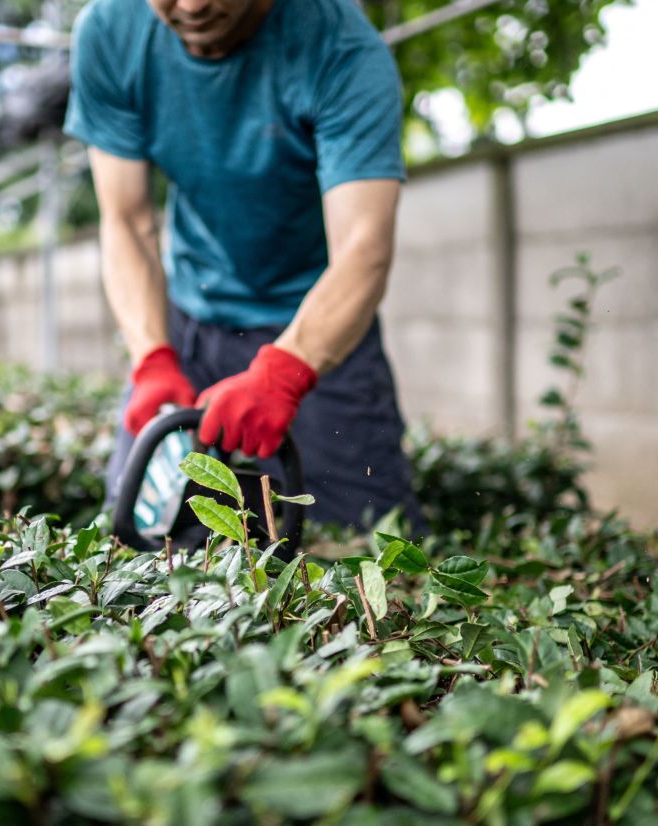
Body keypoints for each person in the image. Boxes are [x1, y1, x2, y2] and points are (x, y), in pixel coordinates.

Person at [64, 0, 423, 531]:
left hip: (319, 337)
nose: (190, 5)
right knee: (144, 547)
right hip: (189, 329)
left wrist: (284, 373)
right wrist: (152, 360)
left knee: (367, 553)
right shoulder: (110, 32)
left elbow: (363, 249)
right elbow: (126, 222)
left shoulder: (343, 50)